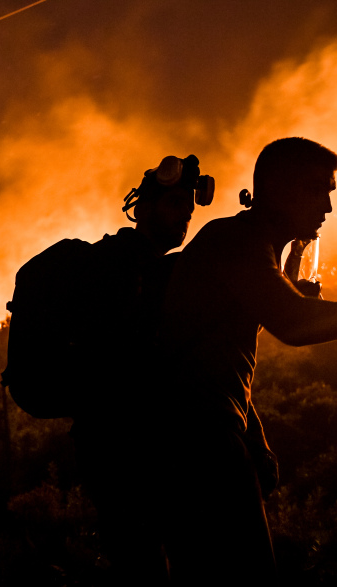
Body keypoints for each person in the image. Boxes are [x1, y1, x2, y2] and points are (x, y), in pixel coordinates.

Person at [159, 137, 337, 584]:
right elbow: (293, 325)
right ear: (278, 190)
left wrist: (250, 433)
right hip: (196, 440)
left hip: (199, 434)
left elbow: (215, 360)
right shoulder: (237, 240)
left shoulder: (244, 242)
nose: (328, 208)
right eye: (319, 190)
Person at [72, 154, 213, 584]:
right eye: (175, 208)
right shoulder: (122, 265)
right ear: (145, 208)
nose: (183, 220)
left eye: (188, 213)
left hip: (133, 441)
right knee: (146, 565)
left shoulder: (148, 267)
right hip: (123, 443)